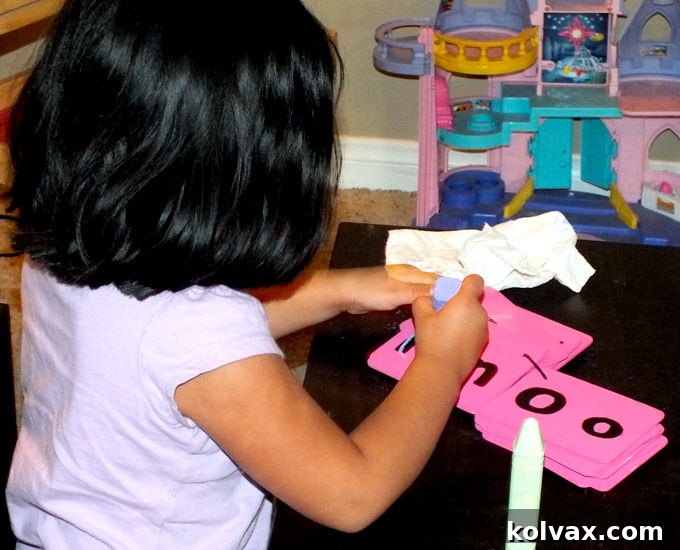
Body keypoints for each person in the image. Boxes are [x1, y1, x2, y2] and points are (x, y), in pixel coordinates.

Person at [4, 0, 489, 547]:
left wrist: (338, 289)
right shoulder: (202, 334)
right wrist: (443, 362)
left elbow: (151, 352)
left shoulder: (66, 245)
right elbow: (353, 494)